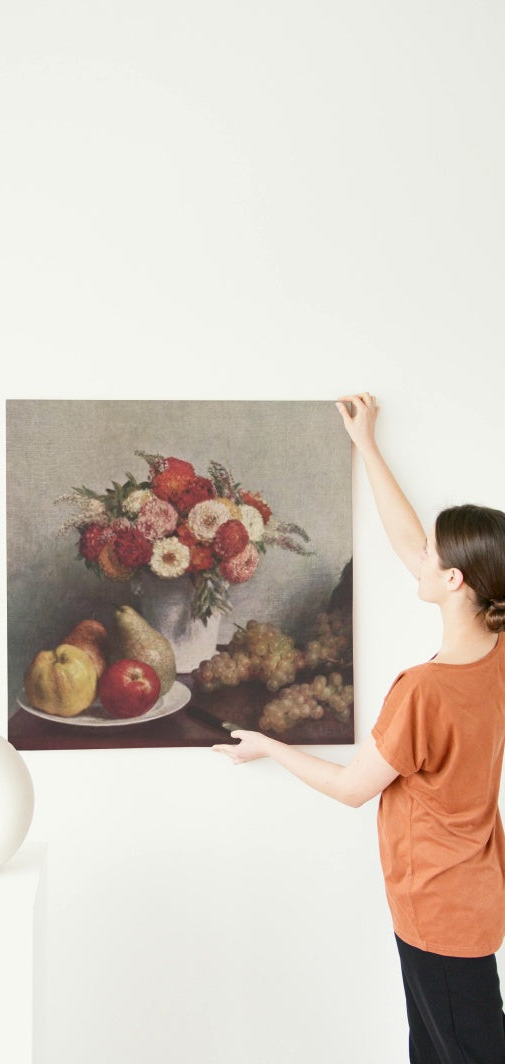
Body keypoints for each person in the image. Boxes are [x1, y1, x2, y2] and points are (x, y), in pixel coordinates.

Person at [212, 391, 505, 1064]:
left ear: (456, 579)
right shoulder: (493, 648)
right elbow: (409, 541)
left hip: (439, 909)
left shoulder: (424, 691)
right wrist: (366, 445)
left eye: (432, 557)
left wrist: (268, 744)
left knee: (459, 1051)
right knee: (436, 1047)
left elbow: (351, 788)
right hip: (465, 896)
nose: (418, 557)